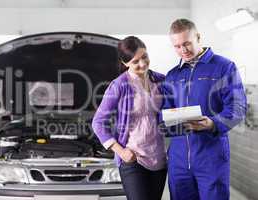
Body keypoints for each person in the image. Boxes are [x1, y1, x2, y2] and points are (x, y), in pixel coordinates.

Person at [163, 18, 247, 200]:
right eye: (177, 46)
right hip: (178, 158)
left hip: (211, 155)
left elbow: (238, 107)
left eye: (187, 43)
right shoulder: (172, 75)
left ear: (198, 37)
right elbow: (165, 111)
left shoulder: (224, 67)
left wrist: (212, 123)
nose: (183, 50)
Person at [92, 36, 167, 200]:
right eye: (135, 61)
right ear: (125, 63)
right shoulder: (119, 85)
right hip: (133, 158)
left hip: (159, 158)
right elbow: (98, 122)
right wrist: (121, 151)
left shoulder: (161, 80)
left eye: (145, 57)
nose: (142, 64)